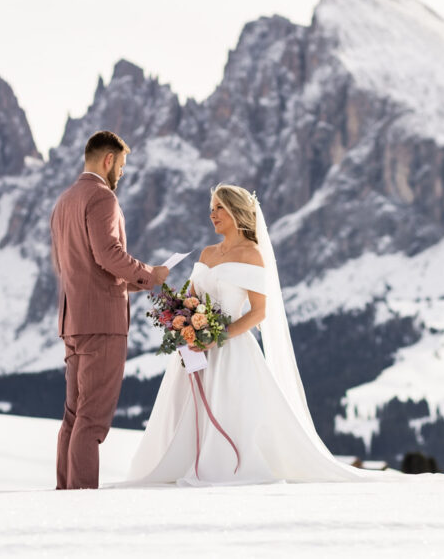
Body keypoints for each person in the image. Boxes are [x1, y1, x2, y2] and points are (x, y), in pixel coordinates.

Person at [122, 183, 365, 485]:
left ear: (237, 211)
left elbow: (259, 312)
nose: (212, 214)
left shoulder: (252, 254)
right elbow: (192, 297)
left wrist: (217, 337)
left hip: (231, 350)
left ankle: (227, 466)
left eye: (219, 208)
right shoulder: (207, 253)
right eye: (211, 208)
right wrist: (183, 319)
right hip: (196, 348)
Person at [49, 130, 169, 489]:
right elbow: (108, 256)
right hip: (102, 323)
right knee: (92, 421)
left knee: (74, 417)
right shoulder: (102, 198)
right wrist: (151, 274)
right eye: (122, 165)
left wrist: (136, 282)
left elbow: (85, 266)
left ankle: (66, 494)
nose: (123, 173)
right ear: (108, 160)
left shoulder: (64, 202)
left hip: (73, 321)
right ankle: (83, 499)